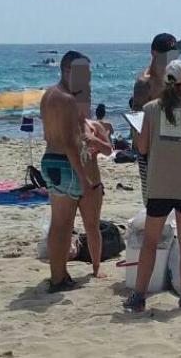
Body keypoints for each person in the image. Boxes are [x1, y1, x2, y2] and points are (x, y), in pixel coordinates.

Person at [124, 60, 181, 311]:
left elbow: (142, 148)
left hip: (159, 183)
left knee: (150, 242)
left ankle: (139, 295)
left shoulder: (150, 109)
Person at [39, 51, 97, 292]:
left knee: (58, 223)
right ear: (66, 71)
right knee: (64, 225)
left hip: (49, 159)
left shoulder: (48, 95)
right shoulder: (67, 99)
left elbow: (49, 134)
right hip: (65, 163)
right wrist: (84, 178)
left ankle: (60, 273)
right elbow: (70, 143)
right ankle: (58, 278)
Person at [131, 33, 179, 204]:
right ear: (154, 53)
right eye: (165, 54)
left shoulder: (173, 79)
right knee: (153, 202)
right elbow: (136, 120)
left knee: (176, 198)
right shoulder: (144, 83)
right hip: (150, 149)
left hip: (173, 145)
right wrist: (142, 152)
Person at [80, 108, 114, 278]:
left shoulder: (94, 126)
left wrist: (94, 141)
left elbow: (109, 150)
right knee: (64, 226)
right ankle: (60, 269)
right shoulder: (64, 126)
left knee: (92, 226)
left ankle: (96, 266)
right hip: (70, 183)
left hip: (92, 184)